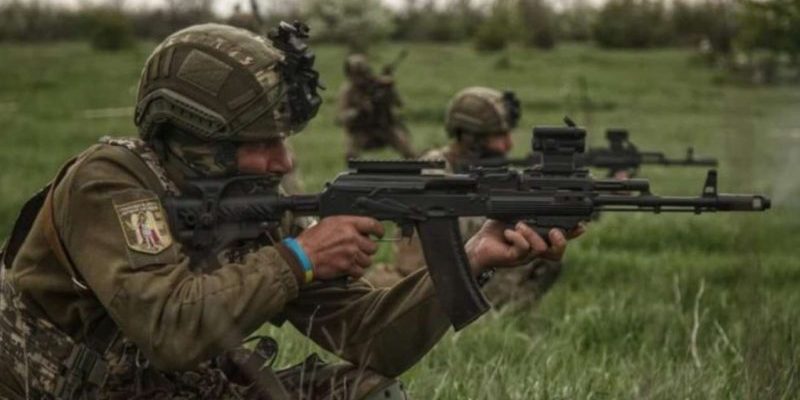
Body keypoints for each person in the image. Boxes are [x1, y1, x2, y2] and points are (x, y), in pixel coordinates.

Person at [0, 24, 577, 399]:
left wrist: (473, 259)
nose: (284, 160)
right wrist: (299, 257)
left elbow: (370, 337)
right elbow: (169, 330)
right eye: (263, 142)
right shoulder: (108, 182)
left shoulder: (253, 203)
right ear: (201, 138)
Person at [368, 87, 577, 307]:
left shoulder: (487, 173)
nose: (508, 145)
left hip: (467, 277)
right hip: (431, 286)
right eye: (499, 135)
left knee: (545, 261)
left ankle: (500, 316)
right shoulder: (433, 174)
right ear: (469, 136)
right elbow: (421, 264)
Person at [337, 54, 416, 161]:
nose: (361, 78)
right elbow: (342, 118)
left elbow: (400, 104)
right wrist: (359, 110)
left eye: (363, 73)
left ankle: (414, 168)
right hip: (362, 130)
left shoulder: (379, 84)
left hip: (385, 128)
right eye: (357, 74)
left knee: (408, 149)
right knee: (350, 153)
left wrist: (389, 91)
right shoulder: (348, 91)